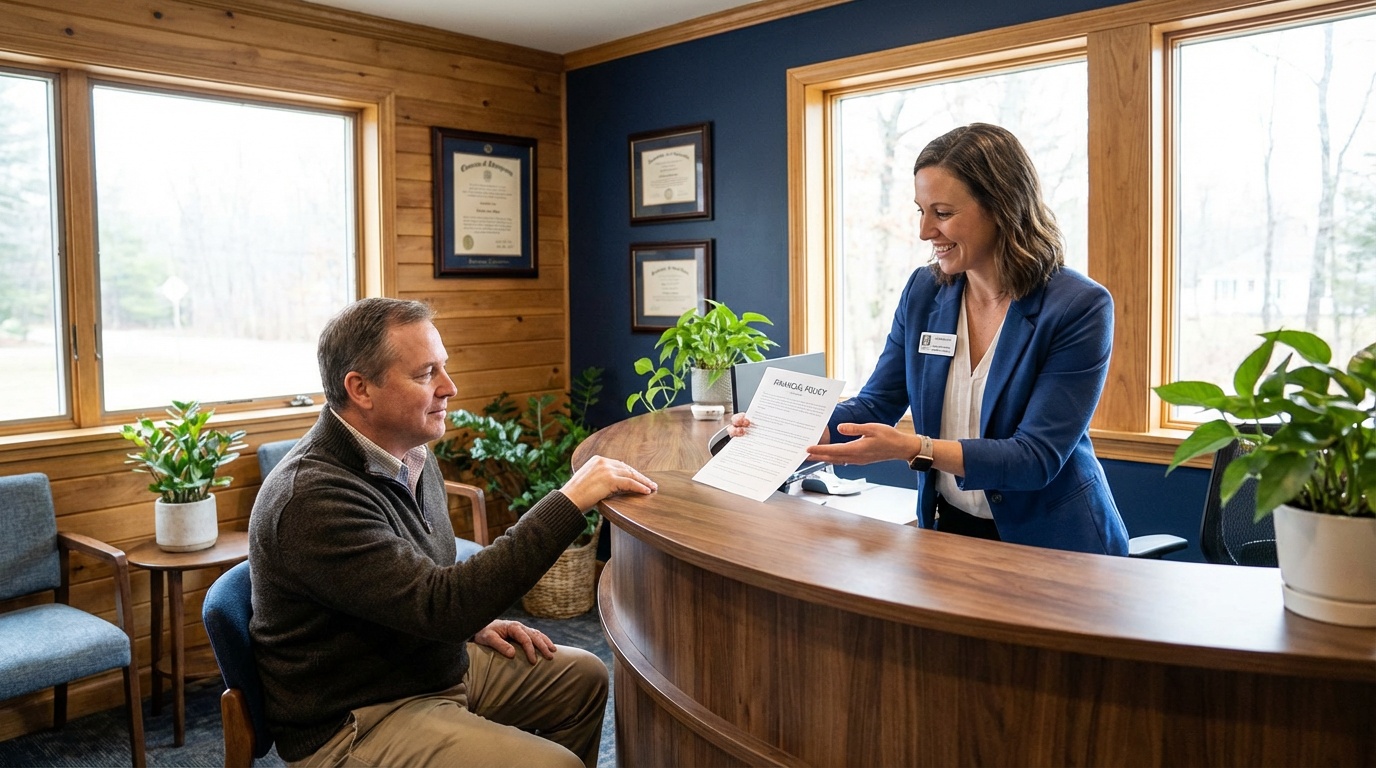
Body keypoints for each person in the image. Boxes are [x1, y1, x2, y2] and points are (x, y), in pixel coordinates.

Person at [249, 297, 657, 767]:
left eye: (443, 367)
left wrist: (470, 623)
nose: (450, 387)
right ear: (360, 389)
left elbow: (413, 584)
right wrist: (568, 501)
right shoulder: (311, 499)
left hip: (421, 662)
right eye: (426, 374)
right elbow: (441, 606)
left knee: (583, 677)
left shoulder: (410, 453)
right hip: (357, 717)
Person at [733, 123, 1128, 555]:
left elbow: (1035, 458)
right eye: (921, 211)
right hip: (950, 529)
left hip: (1056, 544)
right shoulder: (924, 291)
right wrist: (786, 428)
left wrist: (915, 448)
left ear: (1002, 206)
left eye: (942, 213)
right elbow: (876, 404)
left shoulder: (1078, 306)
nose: (925, 231)